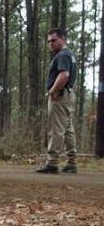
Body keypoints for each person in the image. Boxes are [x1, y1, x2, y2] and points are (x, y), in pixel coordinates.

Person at [37, 28, 77, 174]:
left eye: (53, 40)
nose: (50, 44)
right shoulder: (70, 55)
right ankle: (71, 162)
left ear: (62, 39)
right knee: (68, 129)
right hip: (68, 94)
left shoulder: (62, 55)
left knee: (56, 129)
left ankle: (52, 162)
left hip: (60, 95)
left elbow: (64, 75)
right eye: (48, 41)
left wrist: (53, 91)